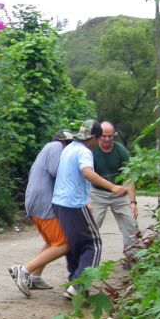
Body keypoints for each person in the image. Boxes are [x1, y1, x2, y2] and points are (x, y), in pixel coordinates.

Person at [52, 119, 127, 299]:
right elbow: (87, 173)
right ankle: (78, 287)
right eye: (99, 138)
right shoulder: (85, 151)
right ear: (94, 137)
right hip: (74, 204)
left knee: (74, 245)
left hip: (59, 202)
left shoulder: (69, 148)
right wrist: (113, 187)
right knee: (93, 244)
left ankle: (74, 284)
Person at [9, 130, 74, 298]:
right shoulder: (55, 146)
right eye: (70, 143)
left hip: (36, 201)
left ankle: (35, 277)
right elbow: (56, 171)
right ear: (63, 142)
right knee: (65, 243)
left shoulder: (48, 149)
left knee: (52, 241)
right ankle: (24, 270)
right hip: (43, 203)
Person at [90, 121, 139, 255]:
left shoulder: (120, 150)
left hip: (118, 193)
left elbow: (129, 176)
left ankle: (132, 256)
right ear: (98, 135)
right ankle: (86, 258)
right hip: (97, 193)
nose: (107, 139)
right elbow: (87, 175)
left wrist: (133, 202)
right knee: (91, 225)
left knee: (131, 224)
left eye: (110, 136)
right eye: (104, 136)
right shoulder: (92, 150)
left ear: (114, 135)